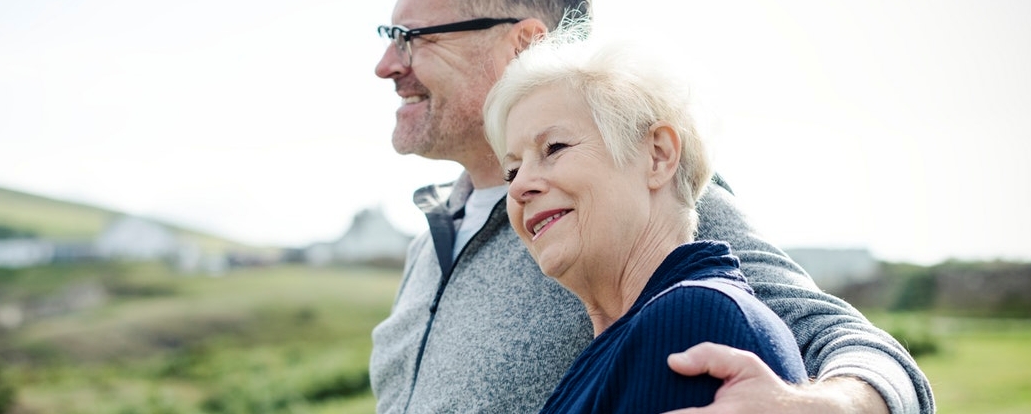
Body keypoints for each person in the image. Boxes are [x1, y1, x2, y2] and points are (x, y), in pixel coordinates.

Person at [369, 1, 934, 413]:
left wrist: (835, 408)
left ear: (525, 44)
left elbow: (847, 342)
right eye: (516, 168)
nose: (387, 64)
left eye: (411, 36)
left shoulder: (646, 198)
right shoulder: (430, 241)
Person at [481, 23, 807, 413]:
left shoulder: (692, 321)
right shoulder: (636, 336)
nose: (518, 189)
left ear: (658, 156)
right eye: (512, 171)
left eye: (554, 147)